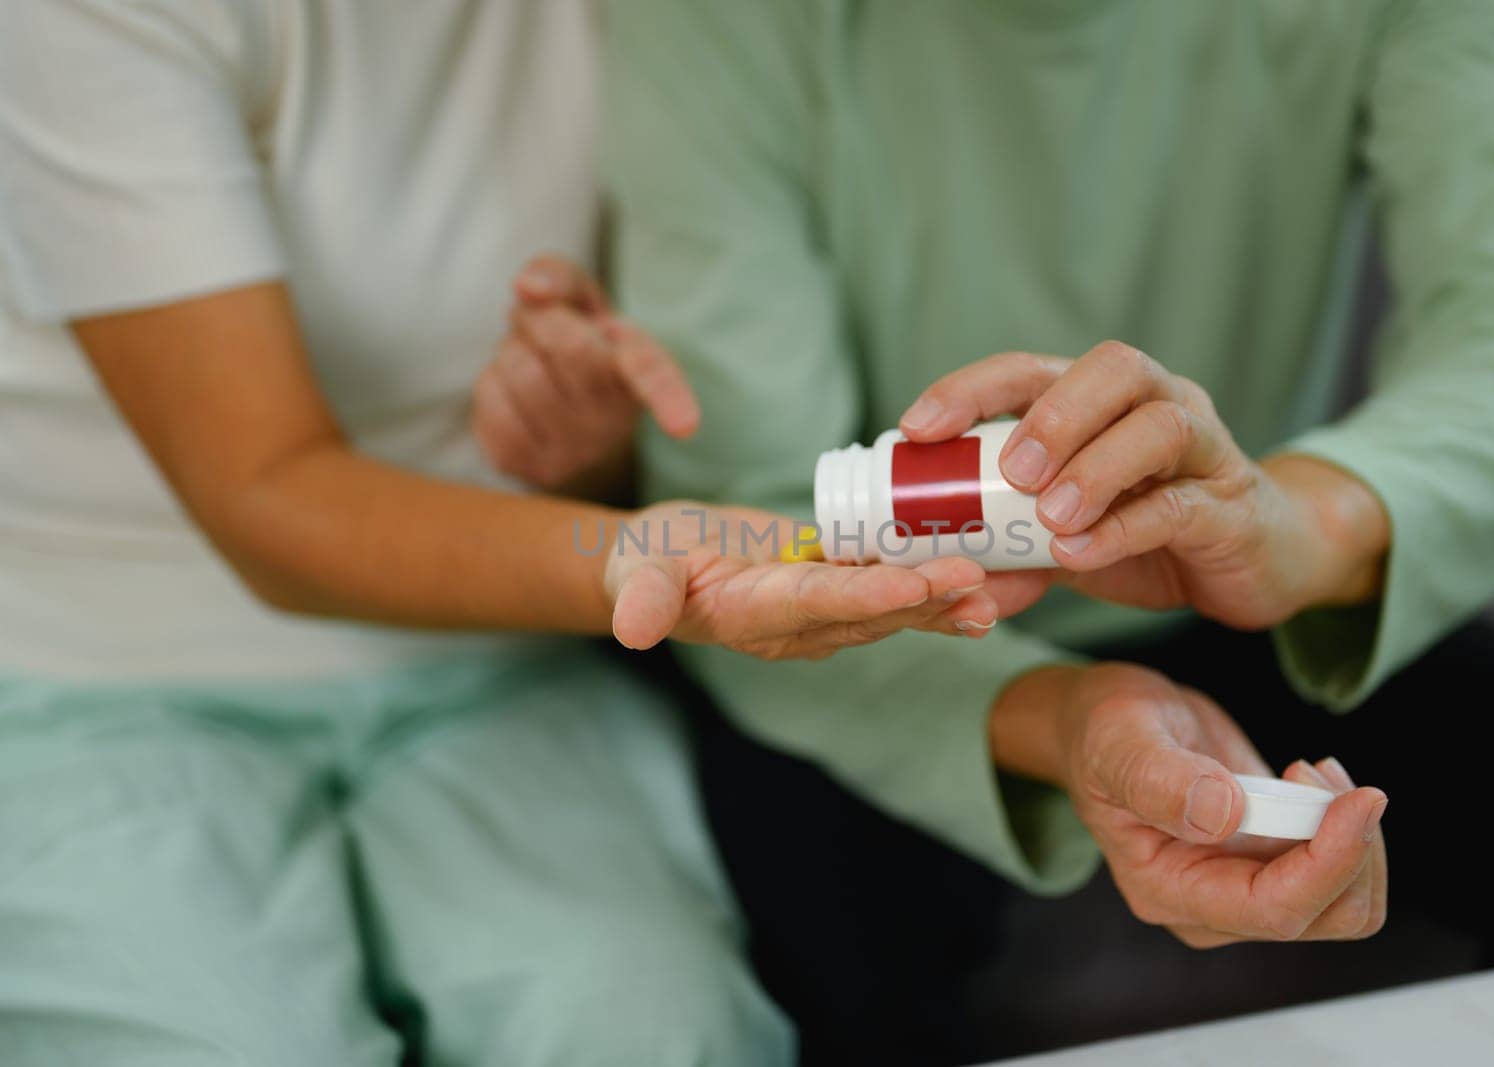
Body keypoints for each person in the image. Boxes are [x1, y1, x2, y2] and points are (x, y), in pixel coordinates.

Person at [561, 0, 1494, 1045]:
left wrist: (1295, 524)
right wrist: (1061, 714)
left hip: (1260, 603)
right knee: (833, 956)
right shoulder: (718, 25)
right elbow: (756, 516)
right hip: (859, 663)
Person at [0, 2, 1003, 1064]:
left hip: (494, 664)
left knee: (654, 1025)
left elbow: (642, 415)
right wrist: (624, 554)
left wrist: (582, 449)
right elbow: (265, 499)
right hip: (101, 679)